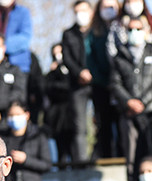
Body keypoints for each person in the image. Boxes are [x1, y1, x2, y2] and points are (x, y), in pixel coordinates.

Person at [109, 16, 152, 180]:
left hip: (151, 112)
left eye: (138, 29)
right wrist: (128, 102)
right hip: (128, 114)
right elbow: (114, 84)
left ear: (146, 31)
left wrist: (144, 102)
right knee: (131, 156)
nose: (134, 32)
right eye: (130, 29)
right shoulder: (119, 56)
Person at [62, 0, 96, 163]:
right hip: (76, 84)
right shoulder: (68, 34)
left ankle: (101, 156)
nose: (80, 15)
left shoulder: (98, 30)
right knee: (79, 126)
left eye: (83, 11)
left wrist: (93, 73)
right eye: (77, 12)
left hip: (98, 83)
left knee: (102, 122)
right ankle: (81, 160)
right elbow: (67, 58)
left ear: (91, 11)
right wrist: (79, 72)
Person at [0, 101, 52, 181]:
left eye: (18, 114)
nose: (14, 118)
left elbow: (46, 164)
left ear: (27, 115)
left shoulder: (38, 136)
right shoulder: (2, 138)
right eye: (11, 115)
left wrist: (26, 160)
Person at [89, 0, 122, 159]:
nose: (109, 10)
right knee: (104, 125)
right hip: (101, 85)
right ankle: (107, 156)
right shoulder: (94, 32)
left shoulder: (123, 28)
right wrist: (103, 80)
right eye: (105, 7)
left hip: (122, 84)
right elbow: (90, 59)